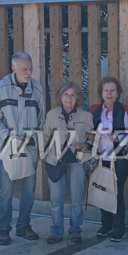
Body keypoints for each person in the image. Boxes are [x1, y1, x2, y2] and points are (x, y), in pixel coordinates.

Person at [0, 52, 45, 245]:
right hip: (8, 149)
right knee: (6, 192)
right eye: (24, 69)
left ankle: (23, 225)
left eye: (30, 69)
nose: (28, 73)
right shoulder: (1, 88)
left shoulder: (37, 88)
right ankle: (3, 229)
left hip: (30, 149)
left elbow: (42, 121)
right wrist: (8, 136)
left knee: (29, 192)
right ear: (13, 69)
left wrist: (33, 140)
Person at [42, 81, 93, 244]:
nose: (69, 98)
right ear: (60, 96)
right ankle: (56, 231)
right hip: (55, 161)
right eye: (65, 94)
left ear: (77, 97)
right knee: (56, 199)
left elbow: (92, 138)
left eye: (72, 95)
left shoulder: (86, 116)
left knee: (76, 198)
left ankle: (75, 230)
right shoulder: (51, 115)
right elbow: (45, 137)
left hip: (76, 162)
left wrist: (86, 145)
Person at [89, 76, 128, 242]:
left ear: (118, 93)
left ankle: (118, 228)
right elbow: (89, 132)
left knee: (116, 194)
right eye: (106, 90)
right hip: (100, 159)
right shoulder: (95, 111)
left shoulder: (125, 111)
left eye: (112, 90)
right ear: (101, 93)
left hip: (119, 159)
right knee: (102, 191)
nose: (109, 93)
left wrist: (118, 138)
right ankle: (106, 225)